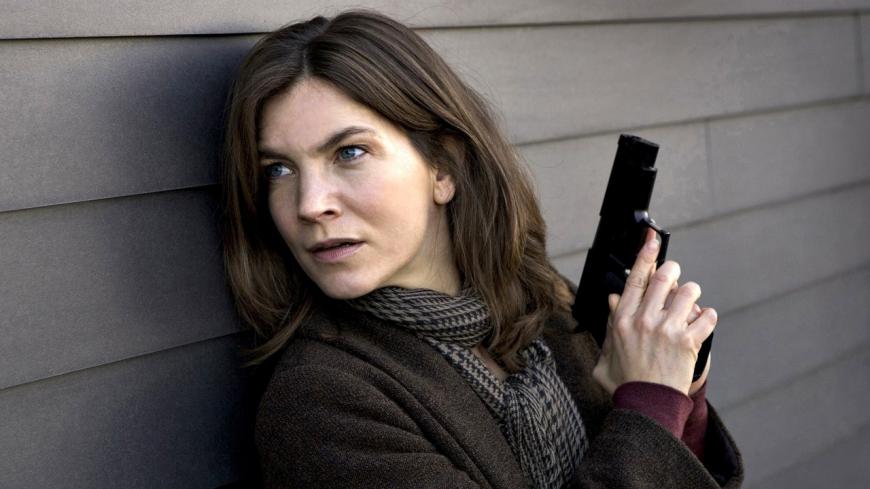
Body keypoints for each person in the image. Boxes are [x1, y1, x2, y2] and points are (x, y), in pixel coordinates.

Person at [220, 9, 744, 489]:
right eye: (279, 169)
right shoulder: (322, 401)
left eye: (349, 152)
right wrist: (651, 404)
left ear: (443, 167)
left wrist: (679, 389)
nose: (309, 204)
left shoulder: (546, 302)